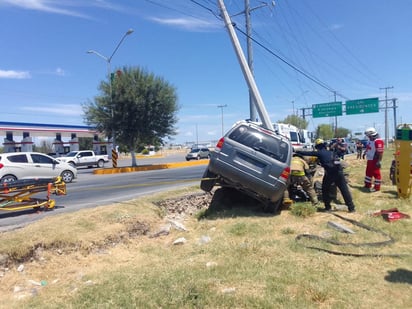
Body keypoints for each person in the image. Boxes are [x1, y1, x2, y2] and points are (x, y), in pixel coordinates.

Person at [296, 138, 356, 213]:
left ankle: (328, 207)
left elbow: (309, 153)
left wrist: (297, 152)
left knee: (325, 189)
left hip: (330, 174)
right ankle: (351, 208)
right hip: (339, 172)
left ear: (317, 147)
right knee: (344, 190)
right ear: (324, 145)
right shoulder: (331, 152)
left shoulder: (319, 153)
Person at [363, 127, 384, 192]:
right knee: (368, 172)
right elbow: (369, 148)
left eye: (368, 135)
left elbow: (380, 152)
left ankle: (377, 187)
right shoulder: (370, 140)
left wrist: (379, 161)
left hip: (374, 159)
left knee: (376, 173)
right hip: (370, 159)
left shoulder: (378, 141)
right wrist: (365, 153)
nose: (367, 136)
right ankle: (367, 184)